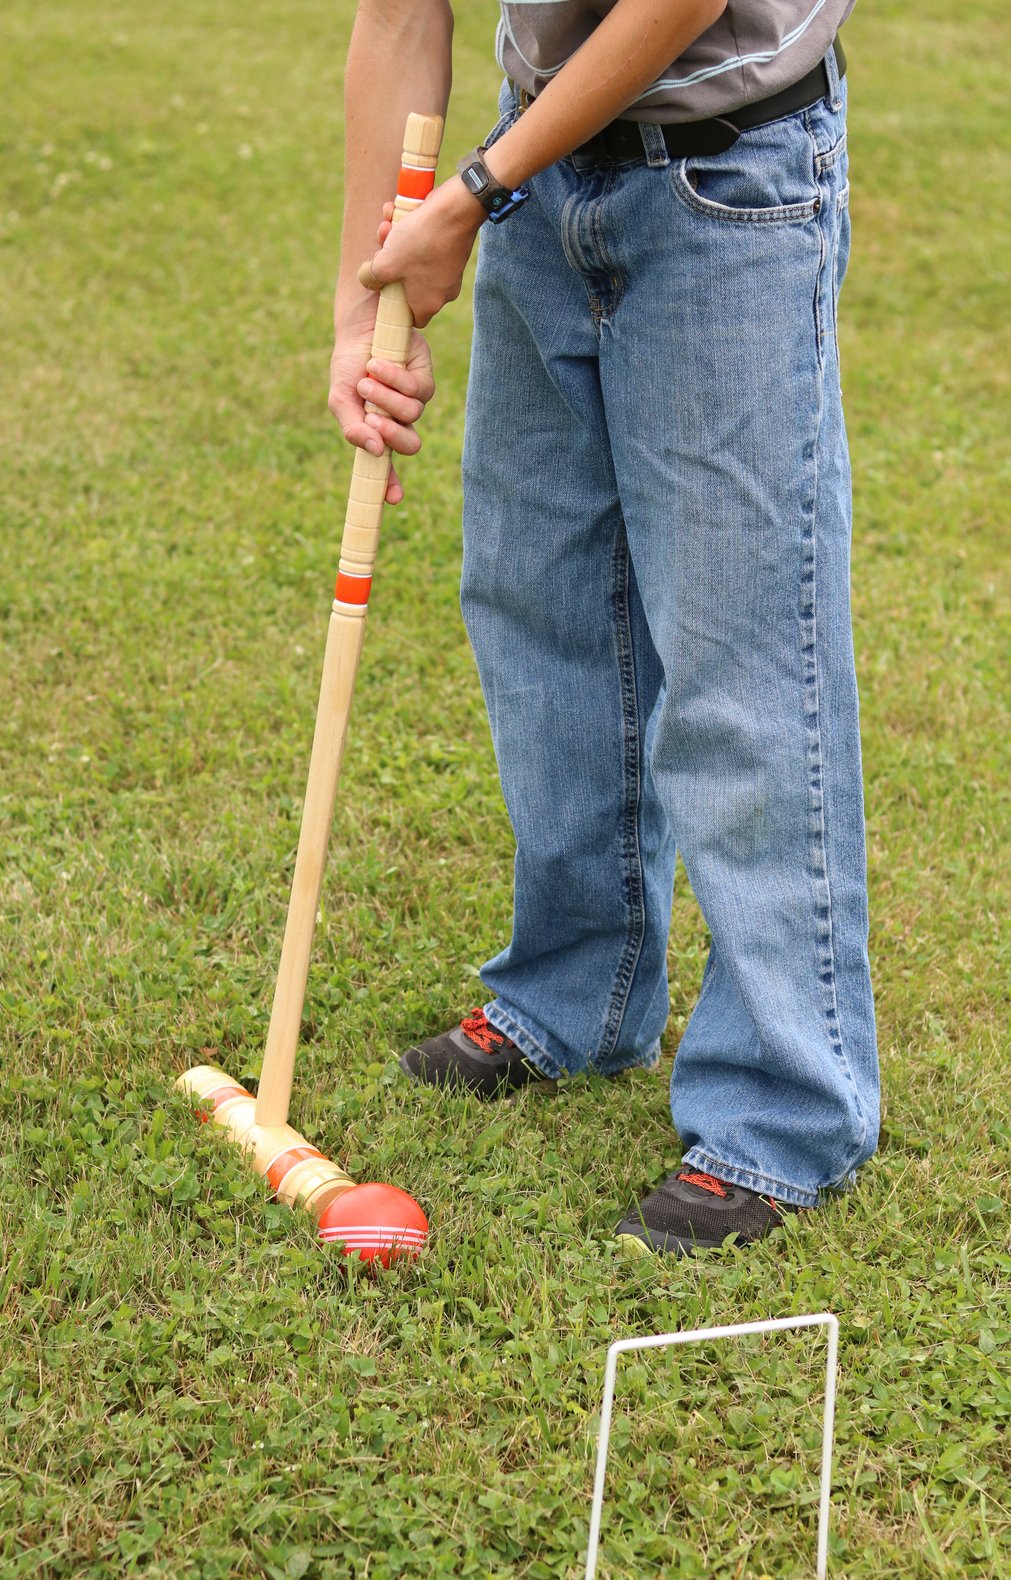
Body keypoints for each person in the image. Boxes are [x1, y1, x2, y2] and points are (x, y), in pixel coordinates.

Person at [328, 0, 880, 1255]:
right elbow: (398, 10)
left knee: (739, 654)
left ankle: (787, 1109)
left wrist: (471, 193)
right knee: (544, 602)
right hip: (539, 173)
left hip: (726, 176)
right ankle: (578, 994)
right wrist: (362, 312)